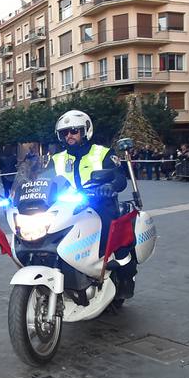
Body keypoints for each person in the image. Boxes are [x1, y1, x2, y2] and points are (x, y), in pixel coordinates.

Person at [47, 110, 134, 301]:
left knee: (116, 240)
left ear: (85, 131)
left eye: (74, 131)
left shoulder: (101, 153)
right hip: (67, 207)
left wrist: (109, 185)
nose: (69, 135)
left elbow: (120, 177)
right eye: (65, 133)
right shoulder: (57, 159)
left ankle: (124, 276)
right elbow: (45, 180)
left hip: (99, 204)